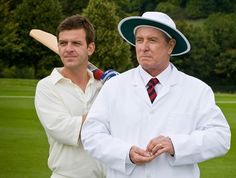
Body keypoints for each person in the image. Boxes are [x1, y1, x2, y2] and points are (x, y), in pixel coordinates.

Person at [81, 12, 231, 178]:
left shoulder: (197, 90)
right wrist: (125, 153)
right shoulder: (114, 87)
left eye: (152, 40)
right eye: (139, 40)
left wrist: (176, 145)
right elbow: (91, 135)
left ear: (170, 46)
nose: (144, 47)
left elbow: (220, 138)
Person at [35, 14, 109, 178]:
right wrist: (108, 114)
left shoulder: (104, 87)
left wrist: (122, 89)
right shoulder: (47, 86)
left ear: (90, 48)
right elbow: (63, 129)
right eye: (63, 43)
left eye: (76, 43)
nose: (68, 49)